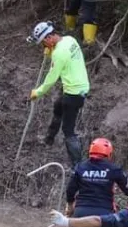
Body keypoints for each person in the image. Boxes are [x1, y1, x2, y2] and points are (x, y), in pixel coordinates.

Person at [27, 21, 89, 166]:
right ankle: (49, 138)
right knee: (58, 106)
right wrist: (51, 52)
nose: (44, 46)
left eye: (44, 43)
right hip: (80, 86)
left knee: (68, 130)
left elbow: (51, 78)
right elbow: (66, 60)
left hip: (73, 94)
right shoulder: (70, 40)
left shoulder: (58, 53)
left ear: (49, 38)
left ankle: (78, 165)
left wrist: (38, 92)